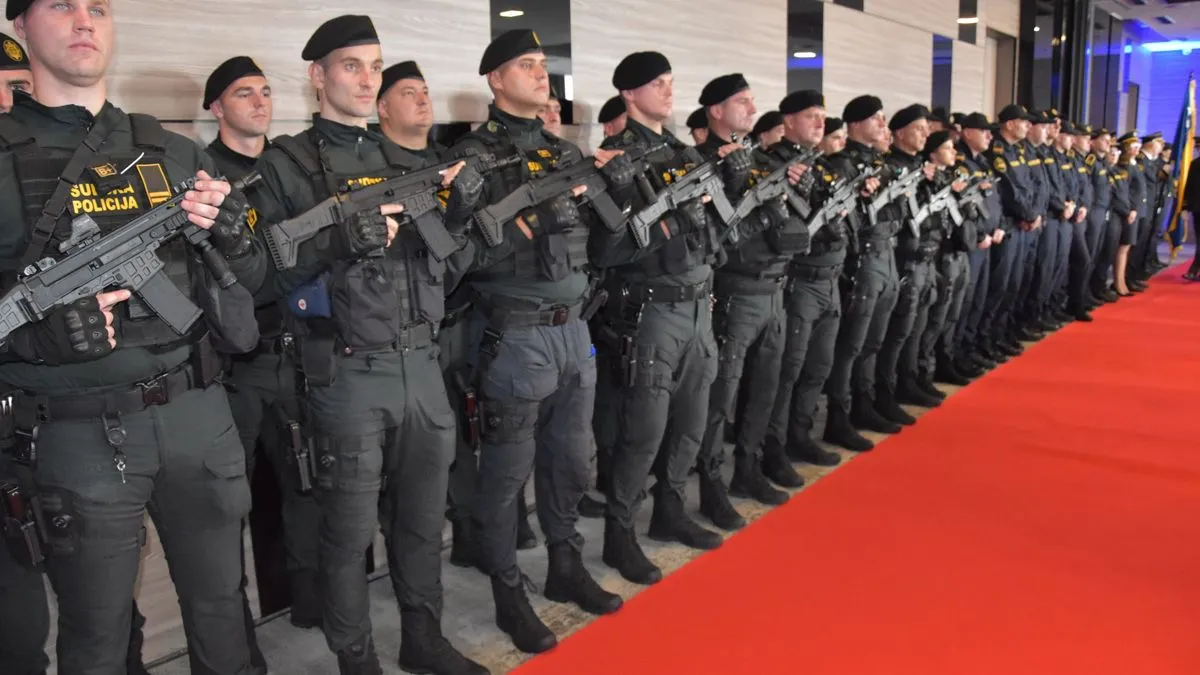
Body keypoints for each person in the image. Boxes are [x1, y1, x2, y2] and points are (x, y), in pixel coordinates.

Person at [0, 0, 264, 673]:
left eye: (99, 7)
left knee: (223, 612)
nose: (84, 19)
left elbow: (251, 279)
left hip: (195, 412)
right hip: (77, 435)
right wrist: (34, 336)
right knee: (99, 637)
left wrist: (235, 235)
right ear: (20, 24)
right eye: (61, 4)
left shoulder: (173, 149)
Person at [244, 15, 488, 675]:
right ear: (318, 75)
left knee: (420, 521)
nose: (366, 78)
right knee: (348, 536)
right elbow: (259, 275)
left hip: (421, 363)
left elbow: (448, 269)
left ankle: (423, 636)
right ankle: (357, 657)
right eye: (350, 65)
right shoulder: (286, 165)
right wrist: (334, 242)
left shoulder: (408, 161)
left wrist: (459, 217)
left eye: (375, 66)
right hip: (346, 374)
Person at [449, 29, 629, 654]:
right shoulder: (472, 158)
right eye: (525, 65)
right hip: (516, 337)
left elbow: (605, 246)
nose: (540, 73)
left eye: (543, 64)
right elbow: (457, 256)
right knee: (504, 480)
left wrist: (619, 193)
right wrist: (529, 223)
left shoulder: (561, 152)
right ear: (495, 80)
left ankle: (565, 564)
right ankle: (508, 594)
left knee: (572, 464)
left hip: (575, 330)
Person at [598, 50, 734, 583]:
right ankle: (619, 533)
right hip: (652, 310)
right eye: (658, 84)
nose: (669, 91)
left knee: (691, 424)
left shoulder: (683, 150)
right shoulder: (615, 155)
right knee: (644, 432)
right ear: (630, 94)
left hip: (700, 305)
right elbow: (605, 251)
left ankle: (670, 511)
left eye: (671, 82)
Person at [203, 54, 323, 646]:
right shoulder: (202, 177)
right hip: (234, 368)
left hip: (297, 351)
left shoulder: (289, 169)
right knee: (229, 507)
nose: (259, 101)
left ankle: (309, 604)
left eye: (266, 91)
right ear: (216, 107)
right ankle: (237, 635)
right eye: (243, 93)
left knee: (306, 485)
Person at [692, 74, 806, 531]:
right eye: (742, 101)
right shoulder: (700, 164)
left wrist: (798, 186)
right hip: (733, 293)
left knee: (764, 390)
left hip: (773, 289)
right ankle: (711, 485)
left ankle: (748, 469)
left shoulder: (760, 159)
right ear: (716, 111)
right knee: (721, 398)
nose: (751, 107)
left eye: (752, 100)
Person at [758, 89, 849, 470]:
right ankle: (773, 447)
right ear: (788, 122)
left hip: (830, 279)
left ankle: (801, 435)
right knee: (787, 372)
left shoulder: (820, 165)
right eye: (811, 115)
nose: (820, 123)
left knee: (818, 368)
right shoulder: (771, 165)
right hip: (799, 280)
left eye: (823, 116)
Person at [822, 94, 899, 452]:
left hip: (886, 256)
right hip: (862, 260)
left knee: (873, 341)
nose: (883, 125)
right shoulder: (840, 165)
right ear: (855, 124)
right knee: (850, 345)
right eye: (876, 119)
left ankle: (865, 402)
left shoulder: (880, 163)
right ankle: (840, 415)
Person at [876, 104, 942, 410]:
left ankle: (911, 378)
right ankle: (888, 389)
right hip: (904, 258)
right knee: (898, 331)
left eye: (926, 128)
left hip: (925, 256)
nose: (925, 133)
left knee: (919, 325)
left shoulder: (921, 165)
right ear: (900, 133)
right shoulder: (891, 167)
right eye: (919, 128)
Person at [950, 112, 1005, 375]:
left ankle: (968, 348)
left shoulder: (982, 161)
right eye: (984, 132)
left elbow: (994, 200)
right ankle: (954, 354)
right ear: (968, 133)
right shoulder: (960, 164)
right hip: (973, 243)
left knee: (978, 299)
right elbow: (963, 208)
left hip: (989, 240)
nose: (989, 136)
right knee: (964, 301)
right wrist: (982, 233)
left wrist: (999, 227)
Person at [1111, 133, 1140, 296]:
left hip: (1132, 210)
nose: (1137, 149)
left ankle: (1122, 282)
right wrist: (1128, 210)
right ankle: (1119, 283)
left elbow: (1136, 191)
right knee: (1121, 247)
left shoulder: (1133, 165)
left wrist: (1134, 208)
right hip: (1124, 212)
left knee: (1127, 247)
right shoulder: (1122, 168)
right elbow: (1122, 193)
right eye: (1133, 146)